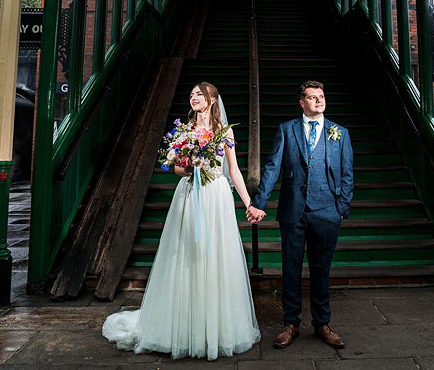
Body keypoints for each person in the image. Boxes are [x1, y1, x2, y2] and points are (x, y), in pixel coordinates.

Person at [102, 82, 260, 360]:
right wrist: (186, 166)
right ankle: (182, 328)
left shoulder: (225, 131)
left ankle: (215, 328)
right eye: (191, 95)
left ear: (212, 100)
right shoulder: (183, 131)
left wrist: (249, 203)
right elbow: (176, 168)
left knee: (214, 256)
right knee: (185, 255)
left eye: (199, 94)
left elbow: (234, 170)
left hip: (216, 196)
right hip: (189, 193)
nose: (194, 97)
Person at [247, 80, 354, 350]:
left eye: (321, 95)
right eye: (312, 97)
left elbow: (347, 173)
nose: (318, 100)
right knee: (291, 269)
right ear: (301, 102)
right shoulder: (286, 130)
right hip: (293, 211)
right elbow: (272, 169)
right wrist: (259, 203)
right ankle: (291, 323)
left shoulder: (339, 133)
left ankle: (322, 323)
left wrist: (341, 206)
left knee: (321, 269)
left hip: (327, 211)